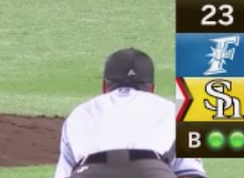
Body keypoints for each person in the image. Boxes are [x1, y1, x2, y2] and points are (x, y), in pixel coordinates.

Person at [54, 48, 208, 178]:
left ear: (104, 87)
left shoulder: (79, 113)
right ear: (152, 89)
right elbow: (190, 173)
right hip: (151, 172)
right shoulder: (173, 110)